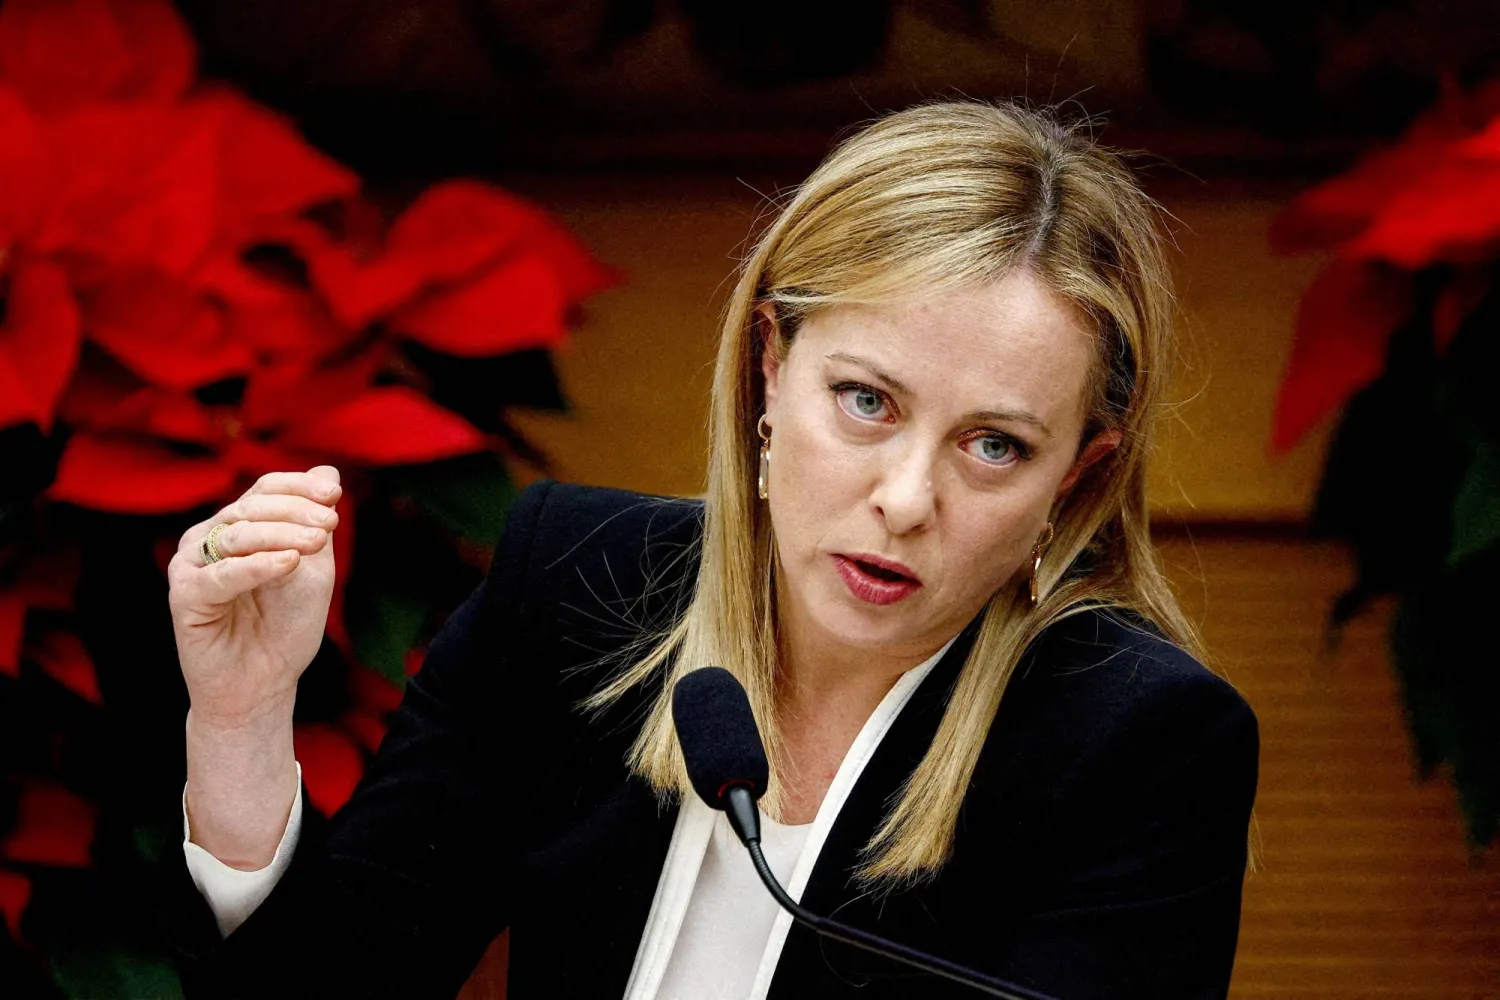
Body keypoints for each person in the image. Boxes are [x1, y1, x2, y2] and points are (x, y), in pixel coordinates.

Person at [161, 99, 1259, 1000]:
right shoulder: (577, 581)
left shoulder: (1136, 744)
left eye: (995, 445)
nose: (907, 497)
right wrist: (242, 719)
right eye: (868, 400)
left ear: (1076, 475)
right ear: (770, 368)